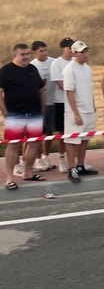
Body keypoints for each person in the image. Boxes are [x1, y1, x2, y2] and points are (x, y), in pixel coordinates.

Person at [0, 43, 46, 189]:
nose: (26, 57)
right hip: (15, 114)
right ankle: (9, 178)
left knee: (34, 144)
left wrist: (43, 109)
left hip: (35, 113)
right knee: (13, 145)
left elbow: (41, 89)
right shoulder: (6, 71)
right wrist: (5, 113)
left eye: (28, 54)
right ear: (15, 55)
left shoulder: (33, 69)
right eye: (23, 54)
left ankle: (28, 172)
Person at [62, 41, 99, 183]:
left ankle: (80, 165)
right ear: (75, 53)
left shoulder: (87, 69)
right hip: (75, 111)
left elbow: (89, 90)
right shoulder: (69, 69)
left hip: (89, 109)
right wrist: (76, 113)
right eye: (82, 52)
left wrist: (93, 107)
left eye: (86, 51)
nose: (85, 54)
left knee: (84, 139)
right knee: (72, 140)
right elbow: (69, 92)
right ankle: (71, 168)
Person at [30, 41, 57, 172]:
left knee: (49, 131)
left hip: (53, 101)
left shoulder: (54, 62)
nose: (44, 53)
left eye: (46, 50)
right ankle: (38, 158)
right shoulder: (32, 66)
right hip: (39, 104)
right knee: (38, 133)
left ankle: (47, 155)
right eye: (41, 51)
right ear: (35, 52)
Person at [49, 37, 73, 172]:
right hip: (61, 102)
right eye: (69, 47)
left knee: (76, 132)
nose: (71, 50)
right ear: (63, 49)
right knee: (63, 132)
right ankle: (62, 159)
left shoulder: (77, 62)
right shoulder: (56, 64)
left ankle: (76, 159)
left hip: (77, 102)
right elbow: (60, 84)